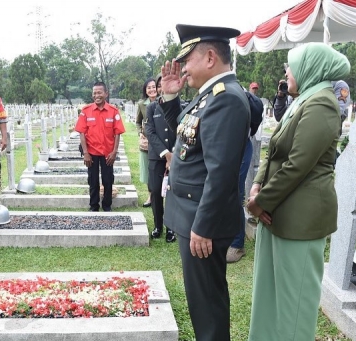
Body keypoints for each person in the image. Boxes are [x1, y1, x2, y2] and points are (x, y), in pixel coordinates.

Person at [246, 42, 350, 341]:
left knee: (294, 308)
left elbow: (298, 164)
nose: (286, 72)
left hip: (300, 219)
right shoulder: (304, 100)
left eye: (291, 66)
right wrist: (257, 182)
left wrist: (259, 202)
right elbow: (275, 148)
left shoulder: (323, 104)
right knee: (269, 297)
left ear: (310, 68)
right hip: (277, 212)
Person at [159, 24, 250, 340]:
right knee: (202, 304)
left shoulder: (226, 99)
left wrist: (203, 226)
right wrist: (171, 96)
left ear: (210, 57)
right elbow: (189, 136)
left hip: (202, 222)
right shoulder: (210, 96)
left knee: (207, 307)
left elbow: (221, 174)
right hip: (193, 216)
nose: (183, 68)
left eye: (187, 60)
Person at [75, 81, 125, 212]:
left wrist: (114, 152)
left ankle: (107, 205)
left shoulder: (113, 111)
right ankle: (94, 206)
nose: (97, 95)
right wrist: (85, 153)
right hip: (91, 153)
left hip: (107, 154)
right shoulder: (86, 111)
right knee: (93, 180)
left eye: (99, 92)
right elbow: (81, 132)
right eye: (94, 93)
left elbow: (117, 133)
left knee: (108, 180)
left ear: (106, 94)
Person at [226, 82, 258, 263]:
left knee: (236, 194)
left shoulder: (236, 93)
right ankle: (225, 236)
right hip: (225, 148)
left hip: (240, 147)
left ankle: (237, 245)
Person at [145, 74, 176, 243]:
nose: (160, 89)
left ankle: (171, 228)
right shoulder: (152, 108)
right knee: (156, 191)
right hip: (157, 157)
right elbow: (149, 131)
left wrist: (174, 153)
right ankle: (158, 225)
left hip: (176, 156)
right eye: (158, 86)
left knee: (171, 192)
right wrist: (165, 153)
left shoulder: (180, 106)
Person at [136, 78, 157, 207]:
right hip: (146, 141)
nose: (152, 89)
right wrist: (140, 133)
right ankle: (150, 196)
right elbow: (138, 122)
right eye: (149, 87)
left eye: (154, 87)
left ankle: (159, 195)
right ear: (145, 90)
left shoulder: (164, 101)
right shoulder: (142, 104)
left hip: (161, 140)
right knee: (147, 169)